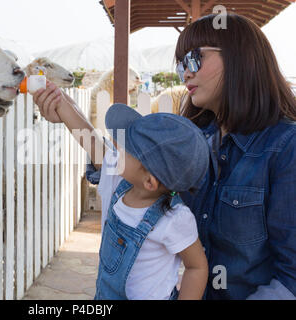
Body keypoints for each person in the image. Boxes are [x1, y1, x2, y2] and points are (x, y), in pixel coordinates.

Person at [88, 13, 296, 300]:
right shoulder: (196, 139)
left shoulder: (287, 147)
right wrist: (65, 112)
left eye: (195, 58)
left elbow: (291, 279)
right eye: (181, 64)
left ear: (240, 58)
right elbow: (131, 174)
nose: (185, 73)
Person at [33, 83, 210, 300]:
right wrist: (58, 98)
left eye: (127, 147)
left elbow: (197, 267)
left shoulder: (175, 219)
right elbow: (89, 137)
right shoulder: (116, 180)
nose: (116, 145)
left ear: (150, 181)